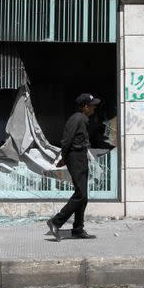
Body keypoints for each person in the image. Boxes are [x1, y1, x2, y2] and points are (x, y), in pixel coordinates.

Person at [46, 93, 99, 241]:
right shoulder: (77, 118)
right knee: (81, 195)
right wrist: (65, 157)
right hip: (76, 158)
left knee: (83, 196)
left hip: (79, 157)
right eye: (92, 105)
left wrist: (65, 158)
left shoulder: (82, 119)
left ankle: (78, 229)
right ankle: (56, 221)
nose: (94, 107)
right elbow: (67, 139)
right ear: (85, 106)